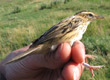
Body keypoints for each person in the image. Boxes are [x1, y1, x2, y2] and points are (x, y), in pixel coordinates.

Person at [0, 41, 85, 80]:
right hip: (52, 43)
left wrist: (4, 74)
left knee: (72, 57)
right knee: (65, 52)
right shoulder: (77, 22)